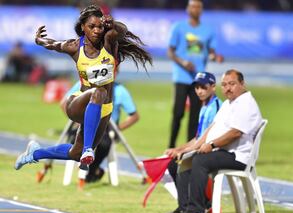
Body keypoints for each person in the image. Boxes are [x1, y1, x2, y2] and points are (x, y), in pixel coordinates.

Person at [14, 4, 151, 171]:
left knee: (75, 153)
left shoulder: (109, 42)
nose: (96, 30)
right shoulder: (75, 47)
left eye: (99, 26)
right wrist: (39, 40)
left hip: (104, 109)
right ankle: (88, 149)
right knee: (99, 92)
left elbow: (122, 30)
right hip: (78, 104)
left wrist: (112, 23)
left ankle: (34, 154)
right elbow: (54, 44)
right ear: (82, 27)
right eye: (91, 26)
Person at [166, 69, 263, 213]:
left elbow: (235, 133)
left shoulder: (245, 103)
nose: (227, 88)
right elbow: (210, 130)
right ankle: (186, 207)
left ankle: (198, 209)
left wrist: (211, 146)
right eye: (224, 85)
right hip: (225, 152)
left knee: (199, 161)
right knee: (187, 158)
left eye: (232, 84)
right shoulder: (228, 104)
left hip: (238, 156)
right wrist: (189, 148)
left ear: (242, 84)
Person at [37, 81, 140, 183]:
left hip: (106, 127)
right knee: (76, 148)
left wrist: (117, 129)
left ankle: (92, 172)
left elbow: (134, 116)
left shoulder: (120, 90)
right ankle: (38, 153)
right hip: (83, 123)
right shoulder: (82, 83)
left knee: (104, 144)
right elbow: (64, 103)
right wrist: (77, 120)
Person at [167, 0, 223, 148]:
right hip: (181, 76)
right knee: (178, 113)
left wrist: (214, 57)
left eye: (198, 7)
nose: (195, 9)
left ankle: (189, 149)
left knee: (195, 116)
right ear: (188, 8)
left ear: (201, 10)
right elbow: (170, 51)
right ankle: (171, 145)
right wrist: (183, 63)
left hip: (198, 79)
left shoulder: (208, 30)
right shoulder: (179, 27)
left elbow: (211, 51)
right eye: (193, 6)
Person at [165, 71, 222, 213]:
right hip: (202, 146)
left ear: (213, 87)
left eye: (203, 87)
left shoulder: (215, 106)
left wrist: (185, 151)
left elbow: (208, 137)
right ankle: (184, 205)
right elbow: (197, 137)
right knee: (173, 162)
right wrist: (176, 149)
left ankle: (194, 206)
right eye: (197, 87)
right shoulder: (204, 106)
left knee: (184, 162)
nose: (199, 91)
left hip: (212, 149)